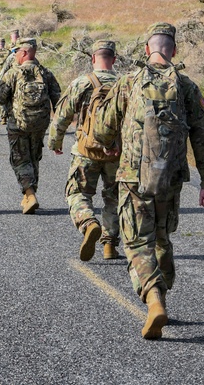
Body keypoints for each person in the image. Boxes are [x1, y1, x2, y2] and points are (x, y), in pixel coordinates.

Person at [93, 23, 204, 340]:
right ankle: (164, 282)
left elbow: (103, 130)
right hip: (170, 178)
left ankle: (153, 299)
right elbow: (202, 135)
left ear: (147, 50)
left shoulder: (128, 83)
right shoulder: (187, 86)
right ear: (173, 51)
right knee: (162, 235)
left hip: (133, 176)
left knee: (137, 242)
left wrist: (110, 143)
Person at [48, 40, 122, 261]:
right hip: (117, 153)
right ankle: (109, 245)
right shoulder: (126, 84)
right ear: (114, 59)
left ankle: (88, 222)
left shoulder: (82, 83)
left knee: (77, 193)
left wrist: (55, 141)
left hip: (85, 151)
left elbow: (62, 116)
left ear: (93, 58)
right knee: (114, 198)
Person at [0, 38, 61, 214]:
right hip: (40, 123)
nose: (14, 55)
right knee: (33, 157)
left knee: (20, 159)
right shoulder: (46, 73)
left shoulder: (13, 73)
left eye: (16, 52)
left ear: (24, 53)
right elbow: (58, 101)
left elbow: (0, 97)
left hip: (17, 123)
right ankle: (29, 195)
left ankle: (30, 194)